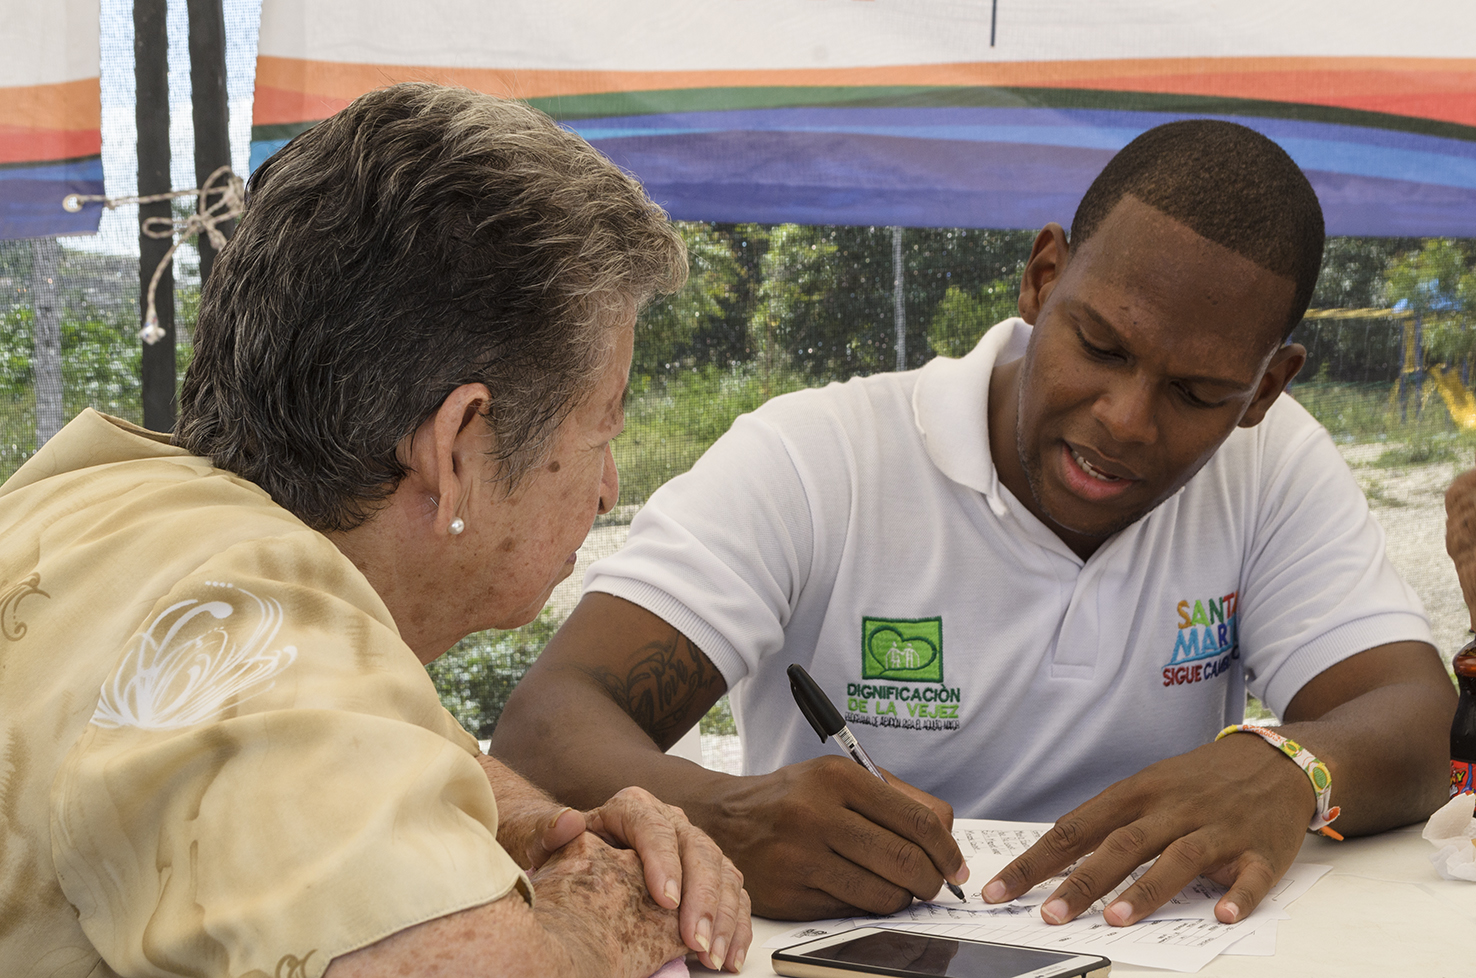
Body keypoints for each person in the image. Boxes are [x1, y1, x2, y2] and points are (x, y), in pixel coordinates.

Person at [491, 119, 1459, 926]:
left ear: (1265, 389)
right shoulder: (819, 459)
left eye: (1200, 391)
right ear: (1043, 277)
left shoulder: (1272, 462)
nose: (1125, 418)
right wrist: (725, 815)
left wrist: (1287, 768)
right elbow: (547, 722)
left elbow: (1416, 725)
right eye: (1100, 343)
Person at [0, 83, 749, 978]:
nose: (606, 490)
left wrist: (540, 826)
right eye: (602, 429)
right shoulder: (259, 617)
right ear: (456, 445)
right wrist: (606, 911)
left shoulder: (116, 505)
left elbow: (361, 730)